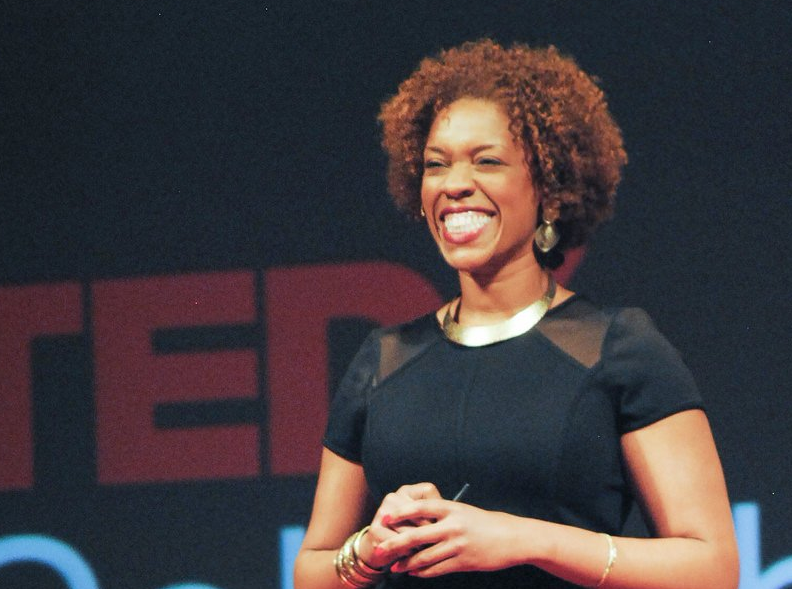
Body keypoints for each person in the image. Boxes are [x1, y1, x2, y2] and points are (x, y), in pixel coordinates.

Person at [294, 39, 738, 589]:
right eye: (436, 165)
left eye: (487, 161)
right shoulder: (383, 360)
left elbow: (712, 568)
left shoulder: (618, 349)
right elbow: (311, 571)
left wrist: (526, 539)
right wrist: (370, 547)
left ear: (549, 190)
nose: (455, 184)